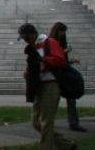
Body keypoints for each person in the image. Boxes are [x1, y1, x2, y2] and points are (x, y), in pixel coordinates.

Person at [19, 21, 76, 150]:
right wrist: (28, 72)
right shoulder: (33, 47)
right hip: (38, 86)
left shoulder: (49, 42)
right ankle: (66, 145)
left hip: (50, 85)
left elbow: (60, 60)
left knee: (46, 122)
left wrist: (44, 61)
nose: (25, 41)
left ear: (33, 34)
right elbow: (34, 65)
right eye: (23, 39)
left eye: (26, 37)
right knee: (36, 122)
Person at [48, 22, 85, 132]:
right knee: (54, 99)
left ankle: (73, 123)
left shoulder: (62, 42)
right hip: (56, 74)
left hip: (64, 72)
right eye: (61, 32)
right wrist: (64, 52)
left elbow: (63, 61)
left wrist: (71, 60)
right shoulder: (51, 42)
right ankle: (48, 120)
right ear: (57, 31)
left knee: (71, 98)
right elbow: (54, 58)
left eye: (64, 32)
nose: (63, 34)